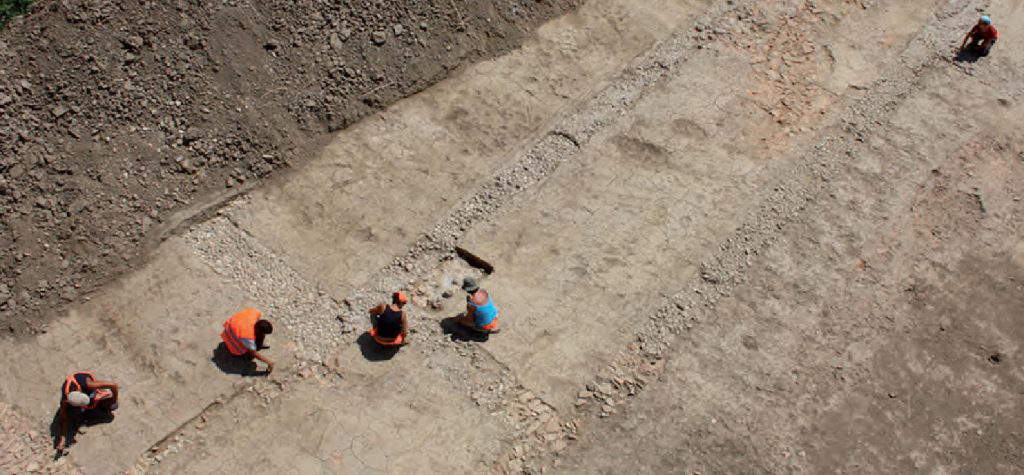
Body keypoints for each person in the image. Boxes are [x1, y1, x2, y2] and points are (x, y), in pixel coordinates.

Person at [55, 371, 119, 452]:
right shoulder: (65, 401)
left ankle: (90, 411)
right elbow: (63, 419)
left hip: (91, 396)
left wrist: (113, 400)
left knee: (114, 405)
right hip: (83, 404)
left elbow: (113, 385)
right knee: (72, 415)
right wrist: (63, 438)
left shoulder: (89, 385)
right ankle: (83, 417)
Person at [221, 307, 274, 372]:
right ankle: (242, 355)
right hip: (231, 340)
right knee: (248, 355)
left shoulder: (254, 313)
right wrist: (269, 362)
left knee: (259, 338)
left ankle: (258, 344)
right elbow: (254, 353)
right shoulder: (247, 336)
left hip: (233, 327)